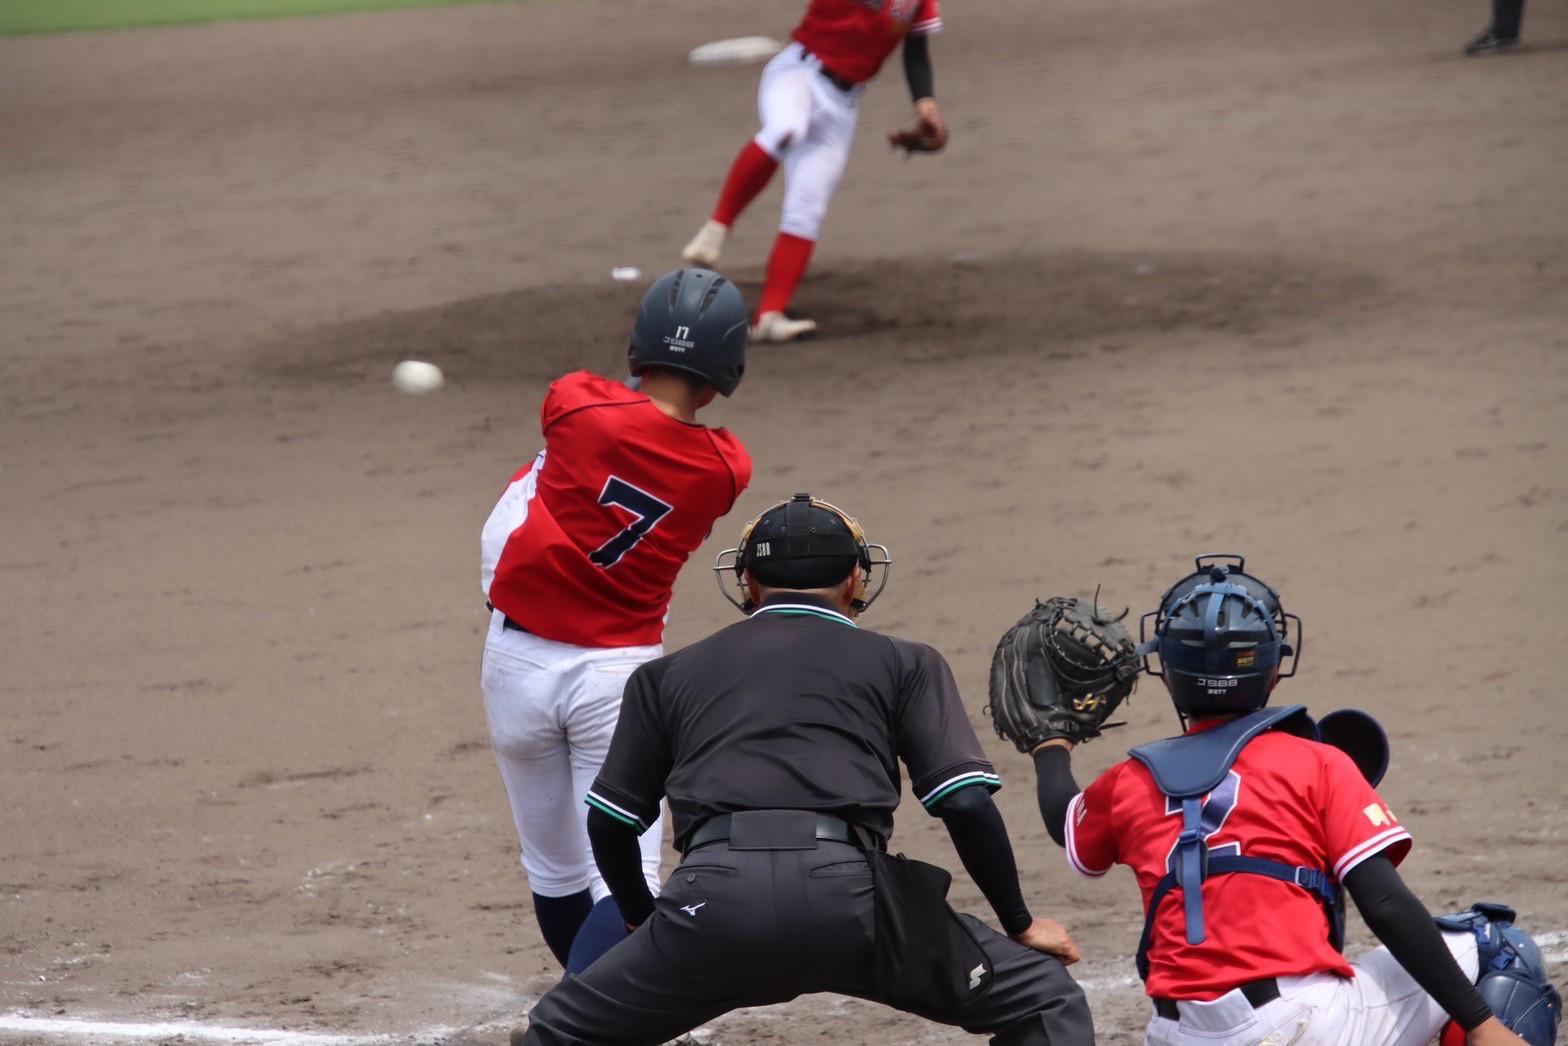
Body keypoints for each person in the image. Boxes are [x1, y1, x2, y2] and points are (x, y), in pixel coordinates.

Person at [516, 494, 1094, 1045]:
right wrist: (1018, 924)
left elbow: (611, 822)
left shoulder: (667, 675)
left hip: (711, 909)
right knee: (1047, 999)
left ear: (746, 582)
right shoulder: (906, 661)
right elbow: (964, 803)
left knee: (558, 1029)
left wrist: (644, 923)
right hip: (855, 908)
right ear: (854, 580)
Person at [1015, 555, 1560, 1046]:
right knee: (1499, 946)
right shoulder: (1316, 763)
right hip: (1299, 1026)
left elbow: (1064, 815)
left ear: (1167, 675)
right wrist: (1483, 1024)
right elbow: (1387, 904)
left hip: (1177, 1034)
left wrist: (1050, 745)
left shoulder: (1129, 780)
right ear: (1275, 668)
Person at [479, 267, 753, 976]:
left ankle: (577, 1007)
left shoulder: (575, 405)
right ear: (726, 370)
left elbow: (584, 426)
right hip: (615, 677)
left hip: (514, 668)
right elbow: (671, 435)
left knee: (553, 865)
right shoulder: (726, 468)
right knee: (626, 873)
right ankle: (578, 1014)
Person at [678, 0, 947, 343]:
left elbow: (916, 52)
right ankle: (717, 227)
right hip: (798, 74)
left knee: (808, 205)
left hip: (843, 106)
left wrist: (926, 106)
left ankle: (769, 318)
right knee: (785, 130)